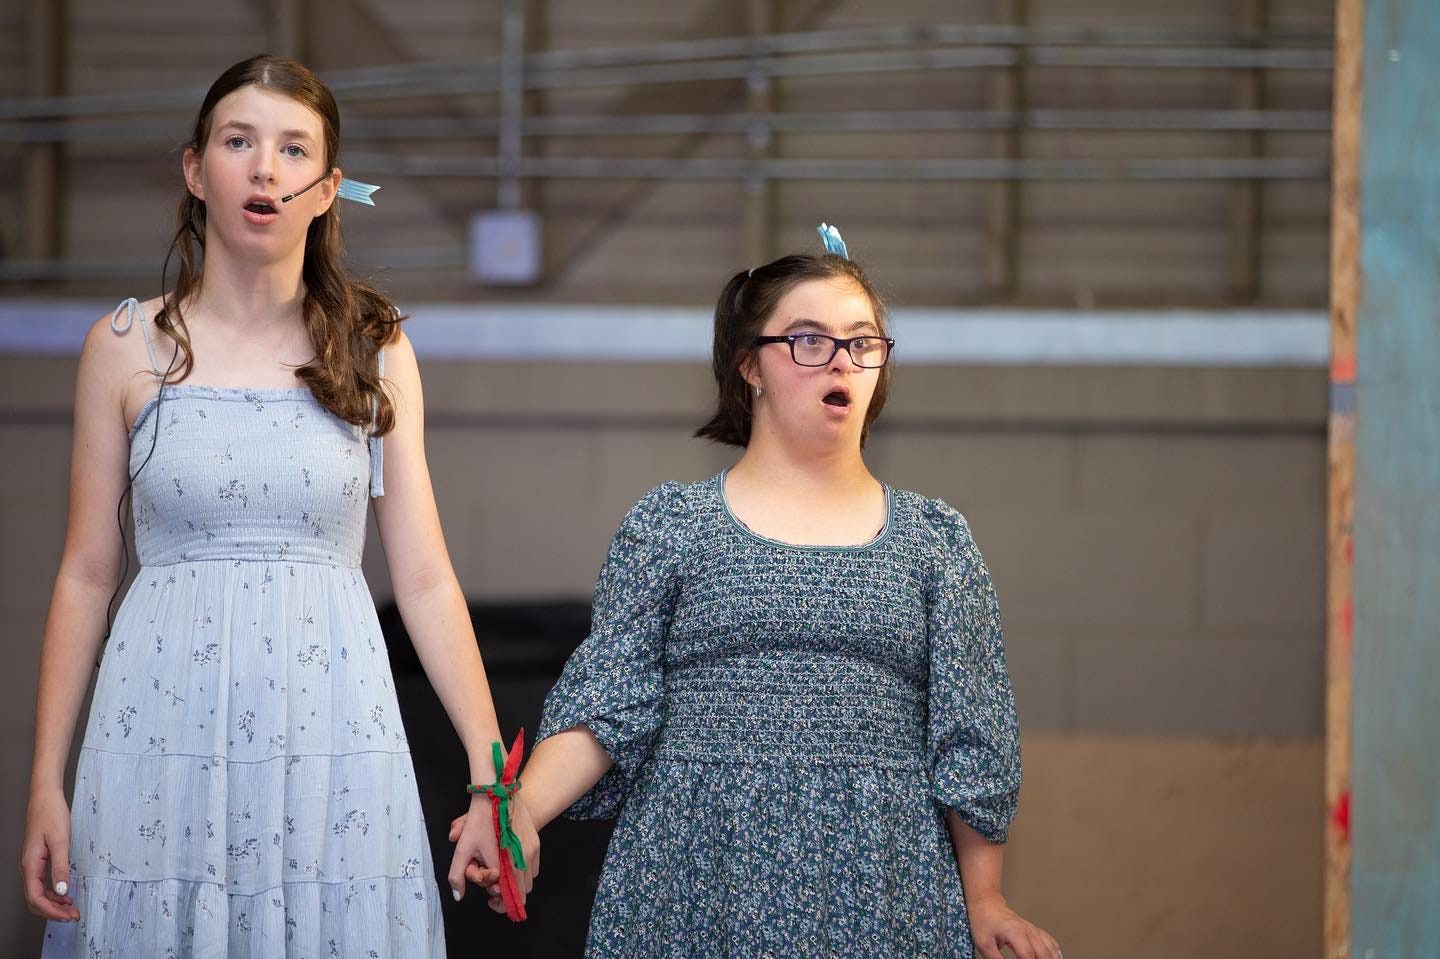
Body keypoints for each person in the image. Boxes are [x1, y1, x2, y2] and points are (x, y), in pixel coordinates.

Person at [20, 54, 536, 958]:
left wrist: (493, 780)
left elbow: (422, 576)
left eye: (294, 149)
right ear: (196, 169)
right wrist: (43, 780)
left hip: (332, 723)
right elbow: (87, 571)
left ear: (329, 188)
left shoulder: (377, 348)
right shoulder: (124, 344)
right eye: (238, 141)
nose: (265, 167)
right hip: (159, 723)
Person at [455, 226, 1060, 958]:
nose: (842, 358)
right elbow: (606, 704)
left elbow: (973, 737)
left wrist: (986, 900)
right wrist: (519, 813)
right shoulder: (672, 526)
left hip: (883, 882)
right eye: (809, 339)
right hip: (692, 876)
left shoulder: (938, 540)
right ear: (751, 366)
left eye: (863, 341)